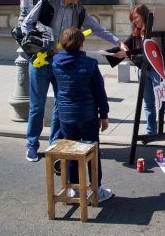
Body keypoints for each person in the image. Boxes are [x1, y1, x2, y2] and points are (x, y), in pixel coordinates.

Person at [21, 0, 127, 162]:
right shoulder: (47, 4)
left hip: (62, 64)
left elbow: (97, 28)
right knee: (37, 106)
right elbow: (25, 24)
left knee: (59, 106)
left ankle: (55, 145)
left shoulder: (78, 11)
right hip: (40, 61)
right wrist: (39, 41)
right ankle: (31, 145)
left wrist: (118, 42)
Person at [52, 27, 113, 202]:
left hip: (65, 115)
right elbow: (99, 92)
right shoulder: (90, 64)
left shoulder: (55, 62)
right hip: (87, 115)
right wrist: (104, 115)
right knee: (93, 151)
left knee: (72, 151)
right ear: (81, 44)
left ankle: (74, 189)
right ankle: (96, 190)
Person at [113, 4, 165, 135]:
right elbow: (126, 46)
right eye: (132, 19)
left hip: (157, 69)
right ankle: (151, 131)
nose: (134, 21)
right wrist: (111, 53)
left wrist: (128, 53)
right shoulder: (136, 32)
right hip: (143, 69)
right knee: (148, 103)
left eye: (136, 17)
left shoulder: (154, 29)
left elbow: (146, 50)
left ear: (143, 15)